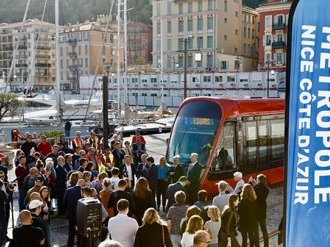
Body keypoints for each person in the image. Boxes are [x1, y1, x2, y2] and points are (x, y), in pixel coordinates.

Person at [63, 179, 86, 247]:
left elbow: (64, 203)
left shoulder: (68, 190)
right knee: (80, 233)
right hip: (80, 216)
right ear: (82, 185)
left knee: (71, 234)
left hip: (71, 215)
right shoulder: (82, 192)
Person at [251, 174, 269, 247]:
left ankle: (257, 245)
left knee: (256, 231)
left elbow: (253, 195)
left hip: (255, 212)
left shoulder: (255, 188)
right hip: (263, 211)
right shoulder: (266, 189)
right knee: (264, 229)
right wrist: (255, 184)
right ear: (264, 180)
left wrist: (253, 184)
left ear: (258, 180)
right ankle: (266, 245)